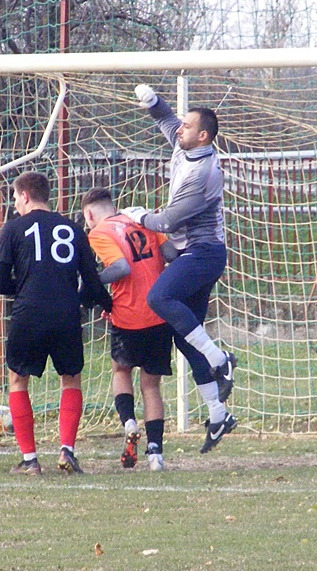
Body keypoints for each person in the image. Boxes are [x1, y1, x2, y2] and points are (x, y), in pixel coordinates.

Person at [124, 84, 237, 454]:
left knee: (160, 296)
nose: (180, 129)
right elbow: (166, 120)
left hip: (203, 254)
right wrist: (152, 101)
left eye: (187, 126)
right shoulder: (184, 144)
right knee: (185, 339)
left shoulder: (205, 173)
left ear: (202, 135)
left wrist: (136, 214)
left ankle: (222, 361)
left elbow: (168, 221)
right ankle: (219, 415)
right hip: (190, 253)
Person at [0, 171, 111, 475]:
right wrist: (104, 304)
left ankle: (30, 460)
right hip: (67, 313)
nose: (15, 203)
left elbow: (0, 282)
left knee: (18, 381)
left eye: (16, 197)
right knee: (70, 379)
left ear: (26, 196)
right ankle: (67, 451)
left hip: (28, 312)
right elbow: (93, 280)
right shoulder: (72, 228)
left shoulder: (13, 228)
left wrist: (28, 287)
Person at [82, 187, 175, 471]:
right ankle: (156, 454)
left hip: (129, 314)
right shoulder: (141, 220)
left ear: (89, 214)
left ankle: (129, 422)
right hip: (160, 312)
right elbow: (171, 252)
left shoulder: (99, 232)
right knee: (151, 385)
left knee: (121, 370)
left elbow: (120, 267)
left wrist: (93, 283)